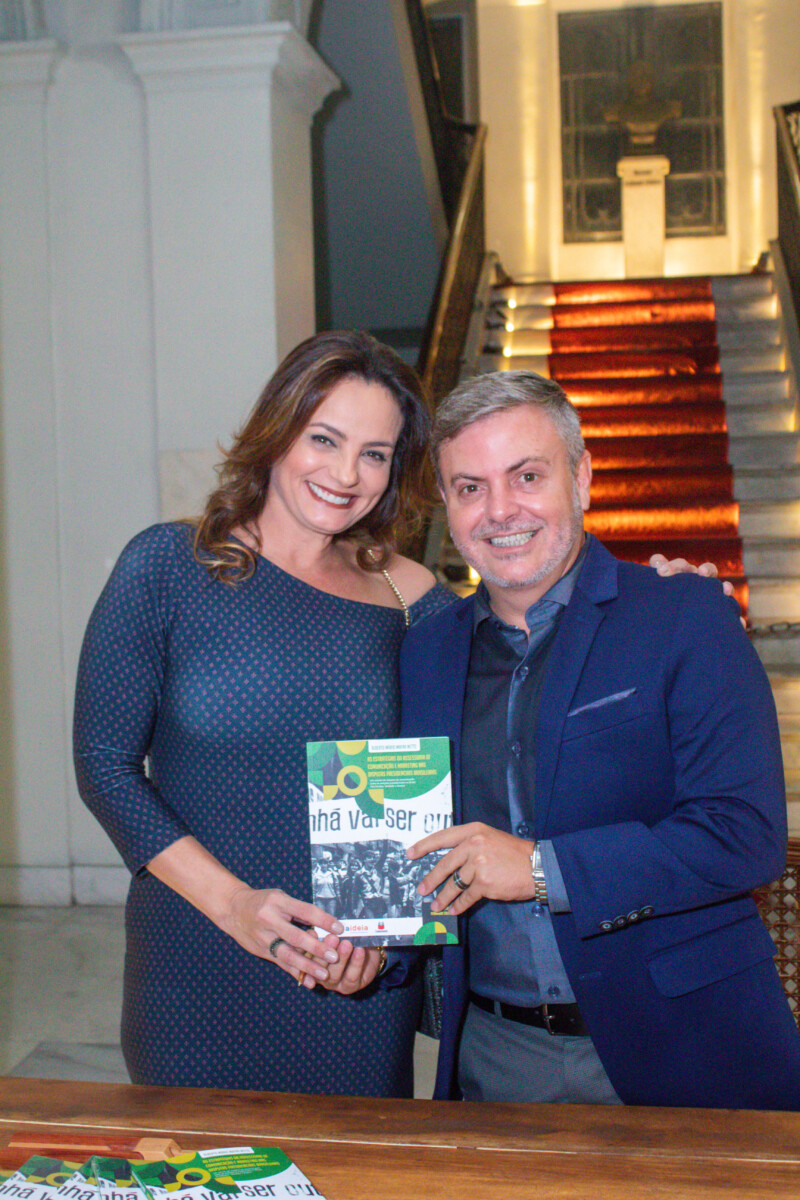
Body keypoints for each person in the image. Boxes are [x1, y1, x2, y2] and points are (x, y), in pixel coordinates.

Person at [401, 369, 800, 1110]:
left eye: (527, 476)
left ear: (581, 478)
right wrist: (363, 944)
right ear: (448, 508)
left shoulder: (684, 614)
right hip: (495, 1058)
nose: (500, 510)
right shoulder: (425, 652)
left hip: (686, 1051)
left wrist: (541, 868)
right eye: (469, 487)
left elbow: (745, 834)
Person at [73, 329, 454, 1097]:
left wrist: (384, 944)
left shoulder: (412, 599)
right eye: (325, 438)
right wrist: (235, 906)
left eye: (375, 454)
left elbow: (425, 778)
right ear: (278, 429)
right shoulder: (167, 567)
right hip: (196, 961)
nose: (345, 474)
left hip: (352, 980)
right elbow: (104, 766)